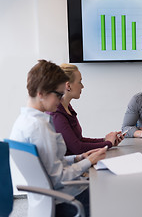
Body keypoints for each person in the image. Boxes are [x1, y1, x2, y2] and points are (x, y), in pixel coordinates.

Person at [9, 60, 106, 217]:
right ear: (41, 93)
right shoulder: (40, 127)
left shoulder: (22, 121)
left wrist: (78, 158)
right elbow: (58, 177)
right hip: (64, 200)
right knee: (112, 191)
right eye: (59, 95)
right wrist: (88, 161)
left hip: (46, 199)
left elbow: (46, 165)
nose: (61, 99)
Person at [50, 63, 123, 155]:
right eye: (79, 82)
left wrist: (105, 140)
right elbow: (77, 148)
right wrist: (108, 143)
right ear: (68, 86)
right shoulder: (56, 114)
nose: (82, 86)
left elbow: (79, 139)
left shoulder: (67, 108)